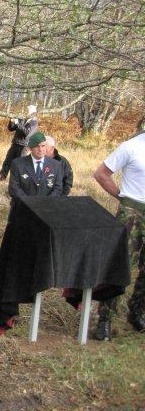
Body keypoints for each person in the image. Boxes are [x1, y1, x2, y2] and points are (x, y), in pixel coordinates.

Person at [92, 131, 145, 341]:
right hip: (131, 211)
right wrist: (121, 197)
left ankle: (137, 312)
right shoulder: (130, 146)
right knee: (120, 266)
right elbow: (101, 174)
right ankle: (105, 320)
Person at [8, 131, 63, 198]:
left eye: (43, 146)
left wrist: (47, 203)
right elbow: (14, 189)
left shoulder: (56, 165)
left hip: (47, 206)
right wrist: (30, 203)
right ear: (30, 148)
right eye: (37, 146)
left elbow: (58, 189)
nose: (40, 149)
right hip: (23, 206)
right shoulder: (17, 164)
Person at [0, 104, 39, 181]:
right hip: (15, 144)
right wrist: (11, 121)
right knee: (7, 162)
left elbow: (27, 133)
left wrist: (17, 123)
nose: (26, 112)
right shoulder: (23, 120)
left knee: (19, 166)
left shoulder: (34, 123)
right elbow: (11, 128)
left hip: (24, 146)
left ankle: (18, 183)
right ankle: (1, 179)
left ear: (33, 112)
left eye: (28, 111)